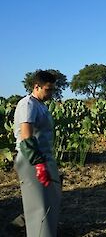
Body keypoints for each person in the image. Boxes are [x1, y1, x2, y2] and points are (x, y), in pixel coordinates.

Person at [13, 71, 61, 237]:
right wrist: (38, 164)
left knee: (50, 200)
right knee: (38, 206)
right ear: (36, 87)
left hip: (43, 158)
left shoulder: (40, 104)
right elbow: (26, 135)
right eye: (48, 89)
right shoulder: (27, 104)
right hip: (31, 159)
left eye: (52, 89)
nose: (51, 93)